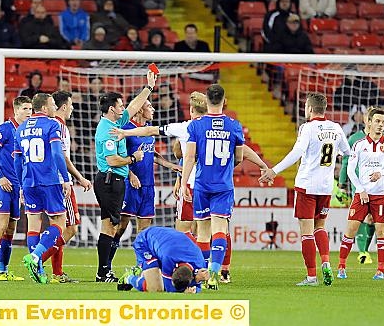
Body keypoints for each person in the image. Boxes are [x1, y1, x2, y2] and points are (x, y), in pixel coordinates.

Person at [113, 91, 270, 284]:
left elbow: (153, 133)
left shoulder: (190, 127)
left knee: (187, 230)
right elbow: (242, 153)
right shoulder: (231, 126)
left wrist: (125, 132)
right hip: (220, 183)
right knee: (220, 229)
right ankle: (222, 271)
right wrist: (262, 165)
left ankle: (191, 268)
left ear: (192, 109)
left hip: (195, 184)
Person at [260, 92, 351, 286]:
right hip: (326, 188)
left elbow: (298, 152)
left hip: (307, 186)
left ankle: (311, 277)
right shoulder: (336, 128)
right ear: (324, 109)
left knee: (306, 232)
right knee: (320, 227)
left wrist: (274, 170)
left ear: (309, 108)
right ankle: (326, 262)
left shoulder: (307, 128)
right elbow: (348, 153)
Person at [93, 69, 156, 282]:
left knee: (109, 225)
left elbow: (133, 106)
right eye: (120, 106)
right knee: (111, 226)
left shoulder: (116, 123)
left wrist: (148, 88)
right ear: (112, 109)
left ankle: (104, 271)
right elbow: (112, 160)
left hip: (114, 180)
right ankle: (103, 272)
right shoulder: (107, 130)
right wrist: (133, 159)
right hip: (110, 179)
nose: (123, 108)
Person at [181, 84, 244, 290]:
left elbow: (190, 157)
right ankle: (215, 275)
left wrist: (183, 183)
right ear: (224, 101)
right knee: (220, 229)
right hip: (223, 186)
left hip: (202, 185)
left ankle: (203, 273)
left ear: (206, 101)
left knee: (202, 234)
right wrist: (224, 168)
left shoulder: (195, 126)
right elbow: (240, 158)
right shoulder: (235, 126)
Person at [107, 98, 181, 272]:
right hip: (130, 184)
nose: (153, 109)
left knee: (144, 231)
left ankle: (141, 266)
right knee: (121, 227)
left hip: (148, 186)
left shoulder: (148, 131)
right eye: (149, 106)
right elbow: (117, 156)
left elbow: (151, 155)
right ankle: (107, 265)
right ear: (140, 110)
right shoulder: (126, 130)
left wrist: (171, 165)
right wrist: (130, 174)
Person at [15, 93, 71, 284]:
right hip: (49, 180)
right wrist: (65, 178)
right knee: (59, 222)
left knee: (33, 225)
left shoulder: (21, 128)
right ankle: (36, 256)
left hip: (28, 181)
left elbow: (17, 160)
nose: (56, 107)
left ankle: (37, 270)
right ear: (45, 108)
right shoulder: (52, 125)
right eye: (53, 104)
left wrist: (21, 184)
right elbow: (57, 153)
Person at [337, 107, 384, 281]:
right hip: (362, 194)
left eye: (383, 122)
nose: (380, 125)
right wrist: (360, 190)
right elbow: (349, 170)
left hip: (381, 194)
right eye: (377, 121)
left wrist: (382, 173)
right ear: (369, 122)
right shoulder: (359, 144)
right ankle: (341, 267)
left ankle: (381, 271)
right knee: (350, 230)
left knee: (381, 231)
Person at [40, 91, 93, 283]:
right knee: (70, 229)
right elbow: (63, 157)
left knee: (60, 228)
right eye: (70, 105)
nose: (72, 108)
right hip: (62, 182)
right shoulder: (59, 127)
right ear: (63, 107)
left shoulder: (52, 126)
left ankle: (57, 273)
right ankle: (38, 260)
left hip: (49, 181)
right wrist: (79, 178)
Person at [0, 96, 32, 282]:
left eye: (30, 109)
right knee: (1, 225)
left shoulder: (26, 132)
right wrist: (0, 176)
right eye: (26, 109)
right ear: (16, 110)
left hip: (16, 186)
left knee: (11, 229)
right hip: (0, 183)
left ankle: (2, 271)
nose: (29, 112)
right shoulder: (5, 129)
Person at [117, 226, 210, 293]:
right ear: (174, 270)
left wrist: (195, 288)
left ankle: (142, 272)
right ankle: (129, 277)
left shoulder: (200, 263)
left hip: (165, 243)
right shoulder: (169, 258)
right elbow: (169, 288)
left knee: (157, 284)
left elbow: (198, 287)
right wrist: (188, 288)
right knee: (156, 288)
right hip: (145, 242)